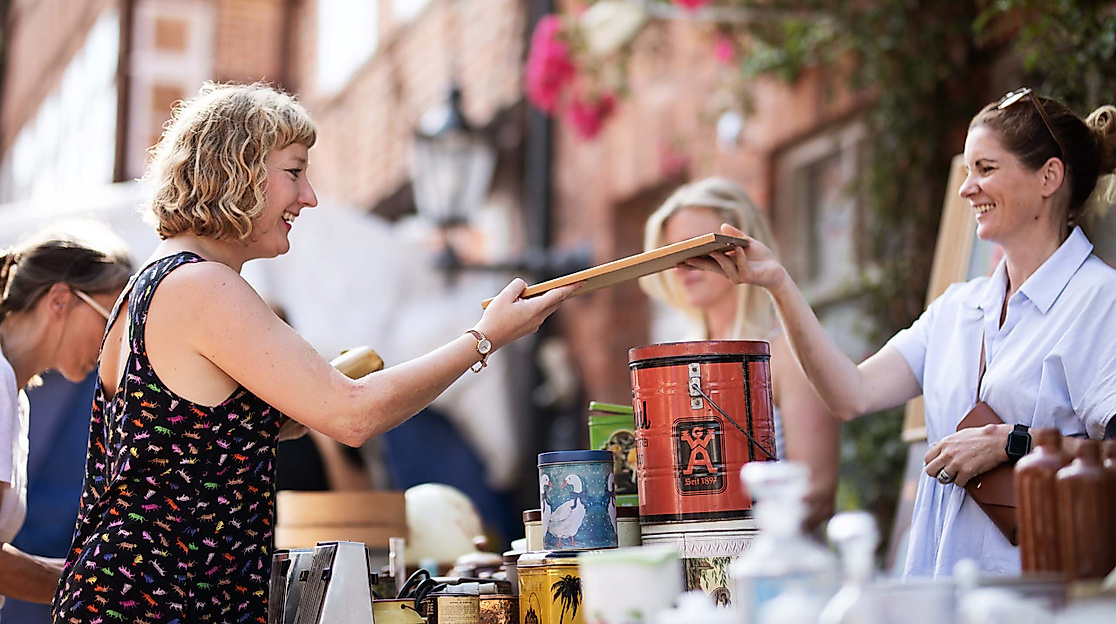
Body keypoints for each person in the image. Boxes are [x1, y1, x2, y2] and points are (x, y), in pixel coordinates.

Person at [51, 82, 577, 623]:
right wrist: (483, 338)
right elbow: (352, 415)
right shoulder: (200, 285)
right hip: (159, 605)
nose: (310, 197)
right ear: (240, 169)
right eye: (295, 172)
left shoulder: (152, 284)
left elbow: (206, 440)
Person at [686, 90, 1116, 577]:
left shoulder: (1099, 300)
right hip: (938, 589)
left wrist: (1012, 443)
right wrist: (777, 284)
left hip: (1042, 597)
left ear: (1049, 177)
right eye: (969, 170)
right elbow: (851, 394)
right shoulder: (957, 307)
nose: (966, 188)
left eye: (986, 169)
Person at [641, 178, 839, 530]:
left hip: (779, 571)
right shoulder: (675, 358)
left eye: (695, 247)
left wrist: (731, 541)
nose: (682, 266)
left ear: (741, 244)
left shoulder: (788, 349)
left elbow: (819, 493)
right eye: (672, 252)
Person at [0, 223, 134, 614]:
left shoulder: (16, 393)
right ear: (59, 300)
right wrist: (99, 589)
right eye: (110, 323)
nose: (116, 347)